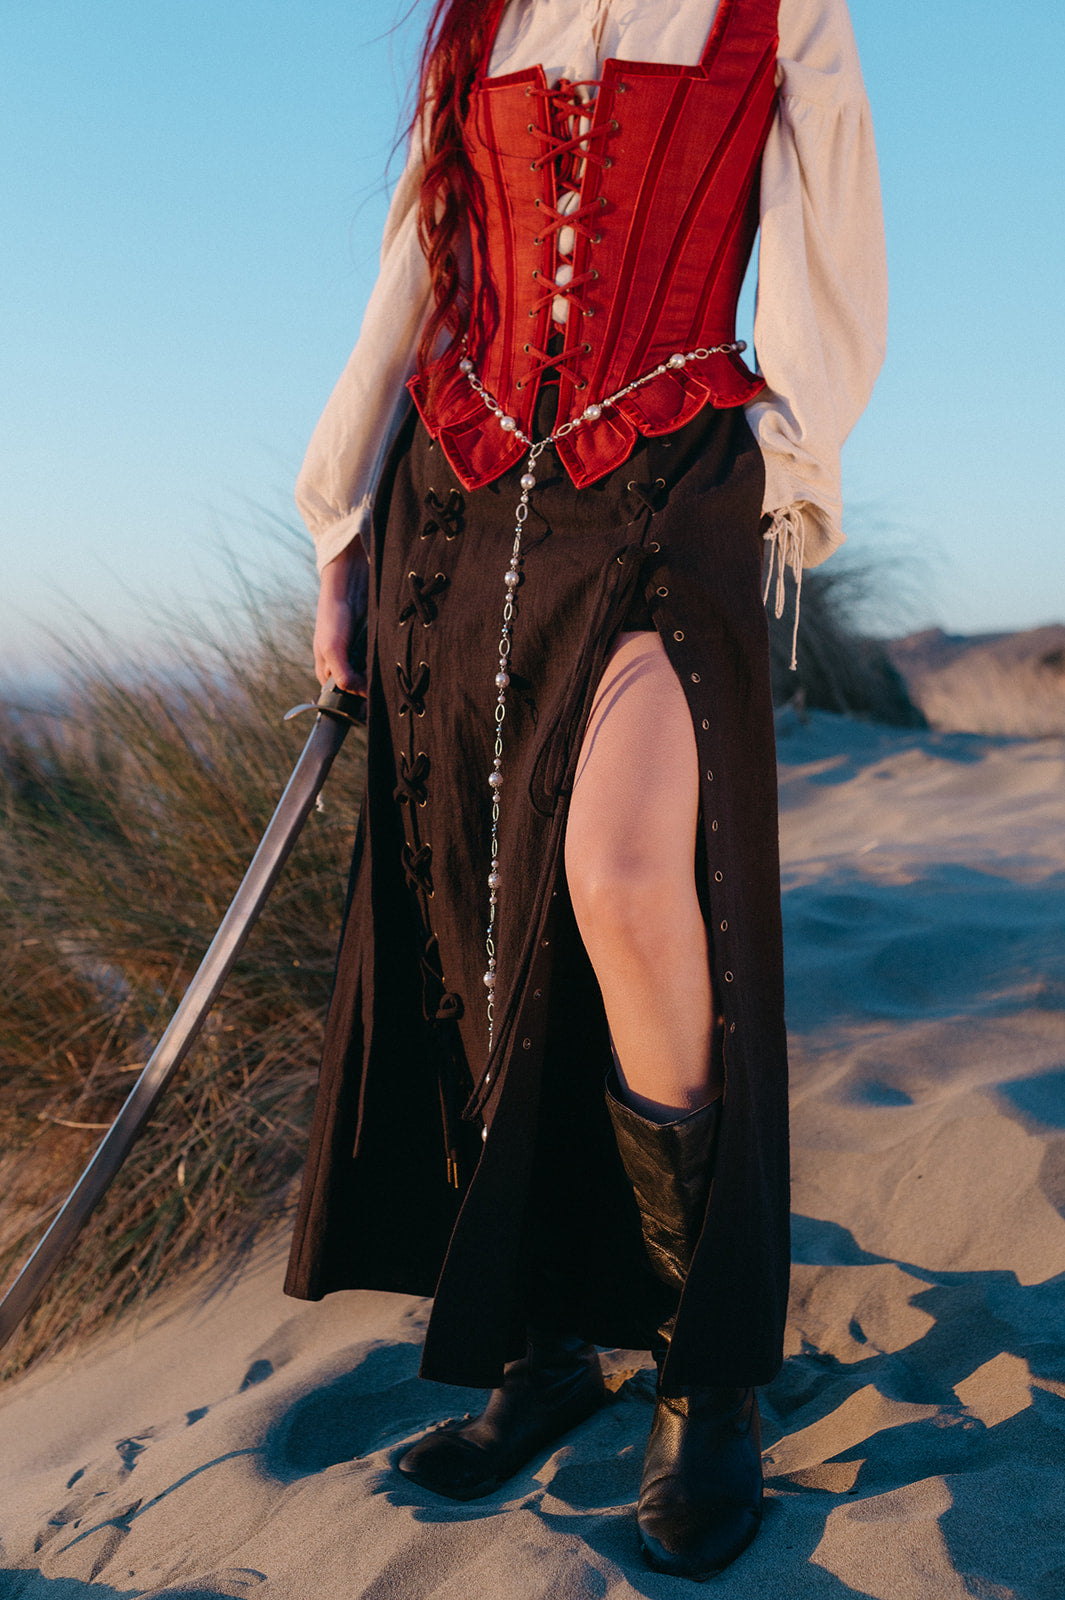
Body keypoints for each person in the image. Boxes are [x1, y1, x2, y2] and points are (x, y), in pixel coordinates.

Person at [285, 0, 886, 1579]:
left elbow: (831, 226)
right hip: (461, 496)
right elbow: (420, 268)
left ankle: (707, 1370)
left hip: (667, 471)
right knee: (476, 916)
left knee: (620, 881)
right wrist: (340, 521)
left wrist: (799, 458)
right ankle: (540, 1337)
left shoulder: (776, 9)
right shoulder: (480, 18)